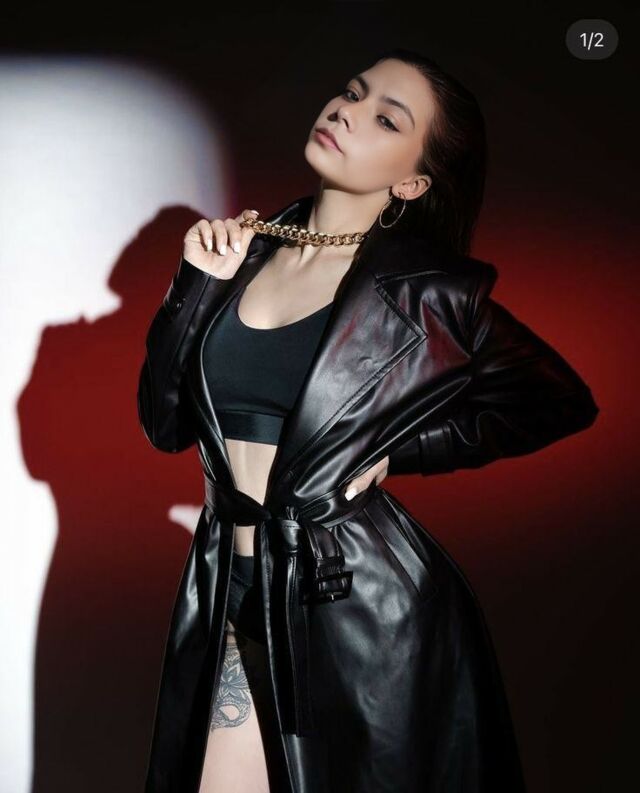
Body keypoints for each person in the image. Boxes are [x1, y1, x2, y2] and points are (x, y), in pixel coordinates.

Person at [138, 48, 599, 793]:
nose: (346, 111)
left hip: (357, 603)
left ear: (412, 181)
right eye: (352, 93)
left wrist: (403, 450)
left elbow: (559, 400)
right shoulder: (242, 253)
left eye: (386, 118)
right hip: (229, 577)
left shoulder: (429, 294)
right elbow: (163, 424)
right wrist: (195, 285)